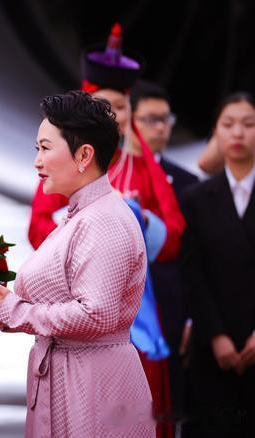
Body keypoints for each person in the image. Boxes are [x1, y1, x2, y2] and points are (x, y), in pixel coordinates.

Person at [0, 90, 154, 437]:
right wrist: (0, 309)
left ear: (84, 155)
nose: (37, 162)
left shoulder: (103, 221)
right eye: (37, 149)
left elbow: (96, 314)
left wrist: (13, 311)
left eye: (45, 148)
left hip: (93, 385)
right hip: (74, 375)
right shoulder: (82, 215)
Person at [28, 24, 181, 437]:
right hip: (75, 313)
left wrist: (138, 223)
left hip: (138, 316)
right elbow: (38, 226)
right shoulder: (65, 168)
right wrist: (84, 230)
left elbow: (174, 233)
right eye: (104, 106)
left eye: (121, 107)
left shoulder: (142, 165)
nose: (114, 116)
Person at [181, 92, 255, 437]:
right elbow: (191, 272)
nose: (238, 133)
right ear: (216, 133)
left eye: (248, 124)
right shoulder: (196, 198)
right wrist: (216, 335)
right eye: (228, 124)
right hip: (211, 345)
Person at [131, 81, 200, 422]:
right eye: (150, 119)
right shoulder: (112, 175)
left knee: (167, 411)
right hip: (124, 316)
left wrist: (192, 317)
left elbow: (196, 259)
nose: (159, 128)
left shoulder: (187, 184)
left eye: (165, 119)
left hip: (170, 311)